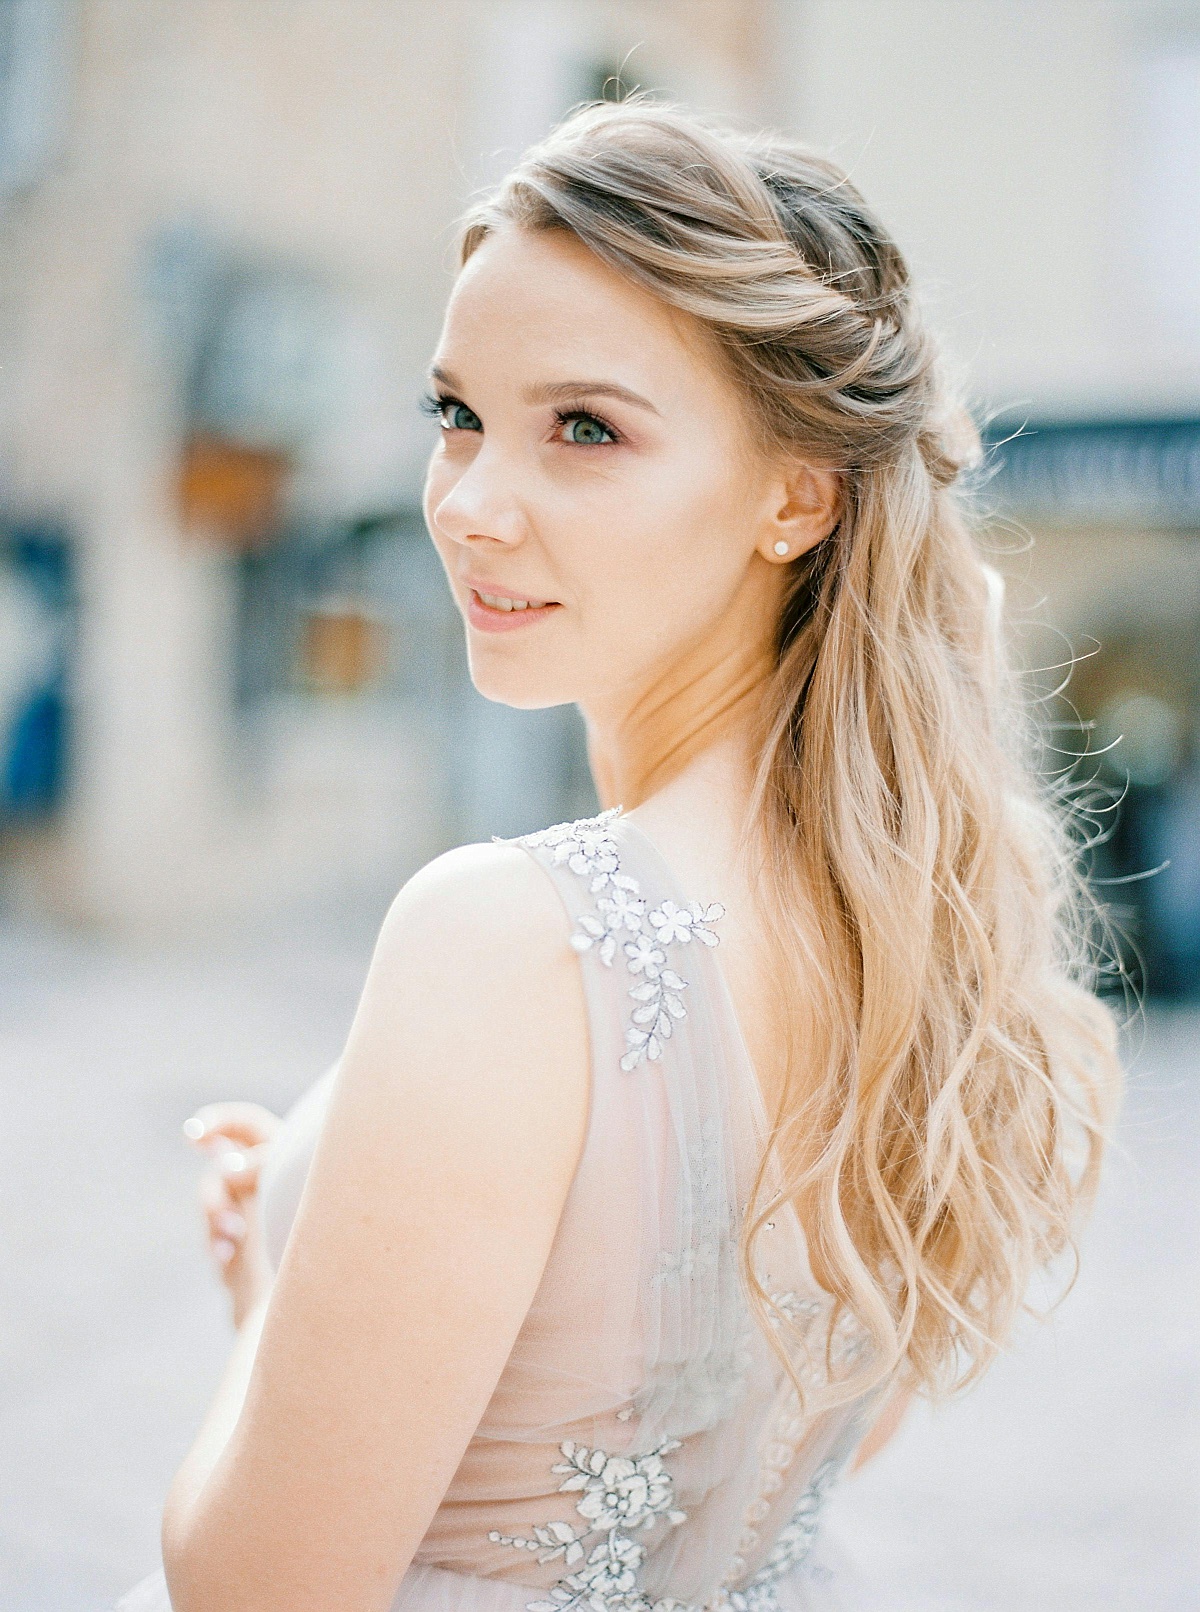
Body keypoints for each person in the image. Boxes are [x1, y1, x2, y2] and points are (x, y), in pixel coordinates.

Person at [116, 99, 1120, 1612]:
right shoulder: (915, 946)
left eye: (584, 427)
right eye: (455, 412)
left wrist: (274, 1293)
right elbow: (795, 1454)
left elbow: (256, 1585)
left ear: (800, 494)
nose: (468, 505)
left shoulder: (509, 937)